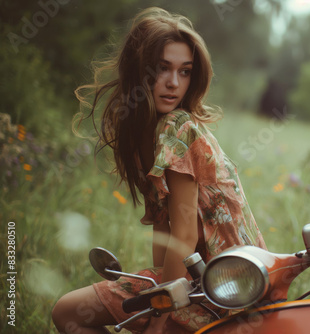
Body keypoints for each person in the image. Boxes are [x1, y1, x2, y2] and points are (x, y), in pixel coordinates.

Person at [51, 7, 267, 334]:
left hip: (224, 290)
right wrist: (158, 297)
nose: (173, 83)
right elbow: (165, 231)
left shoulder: (178, 128)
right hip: (217, 283)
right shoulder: (152, 135)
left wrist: (159, 317)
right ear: (140, 71)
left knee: (67, 311)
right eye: (163, 69)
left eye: (184, 71)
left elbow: (183, 236)